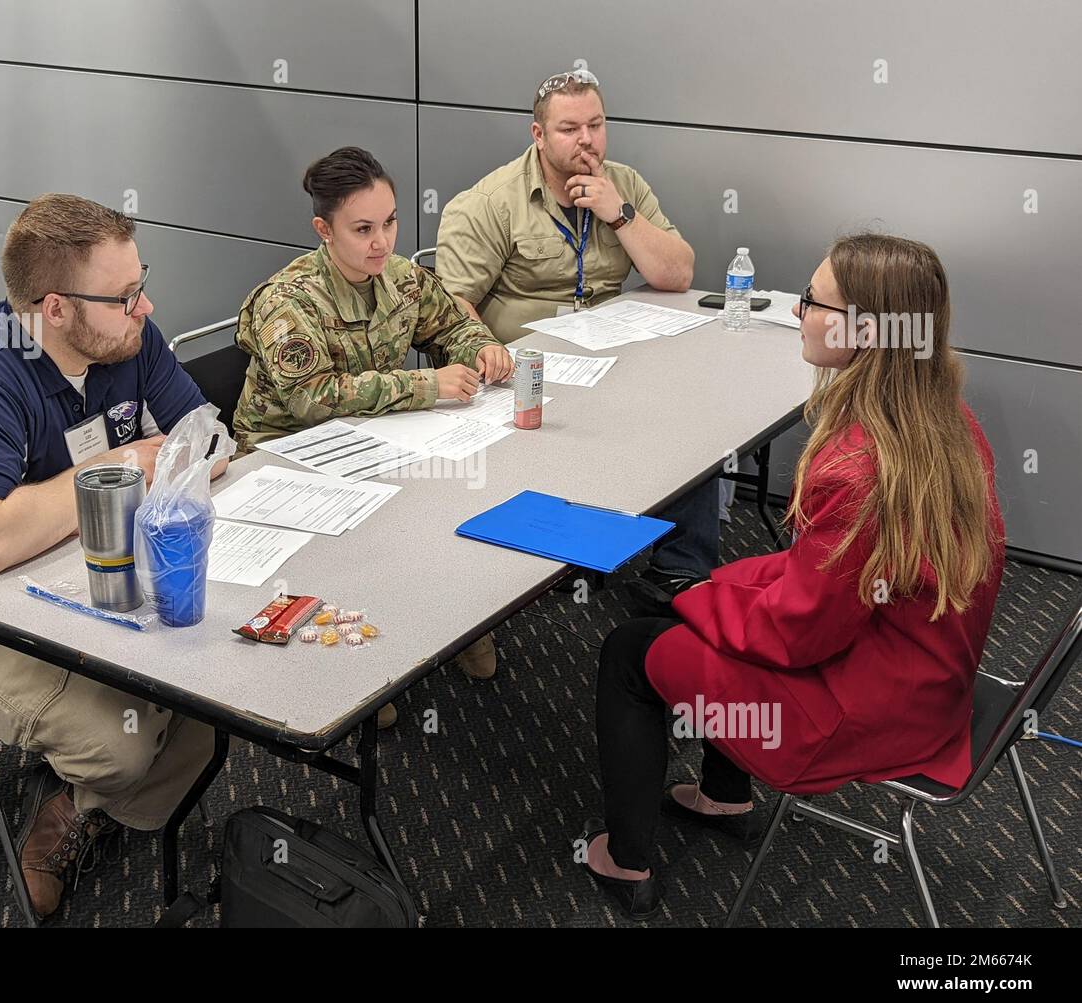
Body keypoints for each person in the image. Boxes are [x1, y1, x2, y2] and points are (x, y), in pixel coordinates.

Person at [580, 234, 1006, 920]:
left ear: (863, 330)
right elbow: (820, 583)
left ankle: (625, 862)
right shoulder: (945, 425)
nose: (800, 310)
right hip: (927, 683)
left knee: (630, 649)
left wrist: (699, 600)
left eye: (812, 300)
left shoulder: (858, 466)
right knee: (696, 611)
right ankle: (725, 797)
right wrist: (716, 592)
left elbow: (796, 634)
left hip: (856, 714)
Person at [0, 193, 228, 919]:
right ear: (56, 309)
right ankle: (71, 813)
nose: (147, 306)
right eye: (125, 295)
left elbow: (211, 441)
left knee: (211, 699)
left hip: (76, 563)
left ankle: (92, 805)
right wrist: (134, 462)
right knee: (120, 745)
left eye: (141, 282)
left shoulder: (126, 338)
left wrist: (171, 459)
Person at [233, 147, 513, 709]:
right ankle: (361, 668)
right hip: (285, 455)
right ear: (324, 230)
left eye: (389, 223)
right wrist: (425, 386)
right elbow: (314, 398)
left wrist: (482, 348)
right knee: (372, 530)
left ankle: (453, 622)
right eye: (362, 229)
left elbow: (452, 323)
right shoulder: (288, 302)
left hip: (370, 440)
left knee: (453, 495)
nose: (381, 241)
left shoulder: (400, 278)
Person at [434, 69, 715, 610]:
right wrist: (487, 353)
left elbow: (677, 274)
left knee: (693, 418)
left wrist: (620, 214)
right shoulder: (490, 203)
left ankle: (681, 570)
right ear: (538, 135)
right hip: (526, 375)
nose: (586, 140)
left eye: (596, 125)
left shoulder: (624, 185)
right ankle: (559, 558)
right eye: (569, 129)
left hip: (610, 360)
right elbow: (449, 307)